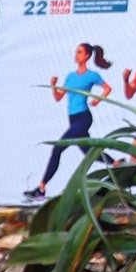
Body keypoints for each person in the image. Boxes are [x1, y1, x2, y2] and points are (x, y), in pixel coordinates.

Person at [27, 43, 111, 199]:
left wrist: (97, 100)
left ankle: (41, 188)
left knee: (57, 149)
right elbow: (59, 97)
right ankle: (117, 164)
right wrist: (53, 86)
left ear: (86, 56)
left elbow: (107, 88)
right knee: (89, 151)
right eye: (76, 52)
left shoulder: (92, 75)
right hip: (73, 119)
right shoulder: (70, 76)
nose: (76, 55)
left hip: (83, 118)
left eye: (79, 52)